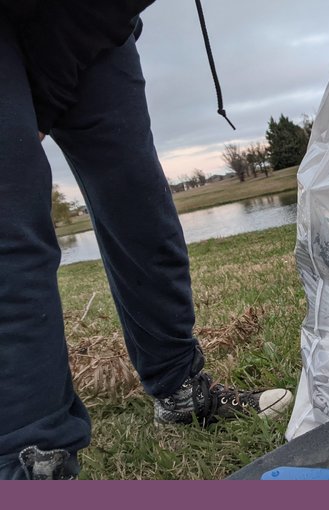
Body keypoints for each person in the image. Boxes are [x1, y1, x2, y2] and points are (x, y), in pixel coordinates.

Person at [0, 0, 292, 480]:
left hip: (86, 17)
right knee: (10, 233)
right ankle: (28, 465)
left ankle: (179, 388)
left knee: (139, 202)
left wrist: (46, 95)